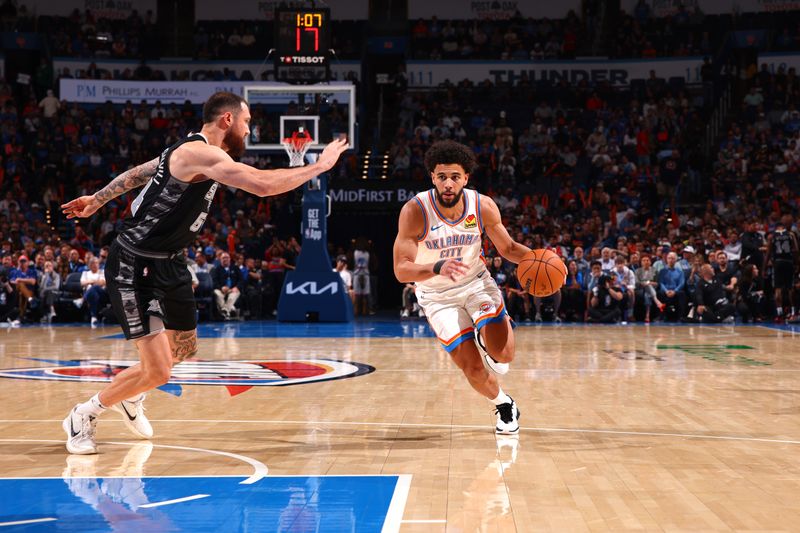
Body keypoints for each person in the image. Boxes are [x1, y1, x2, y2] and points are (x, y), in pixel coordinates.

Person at [60, 91, 348, 454]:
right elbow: (261, 185)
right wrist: (319, 167)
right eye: (246, 123)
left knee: (183, 348)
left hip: (171, 260)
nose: (248, 130)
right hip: (135, 262)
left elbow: (137, 174)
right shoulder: (200, 152)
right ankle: (83, 415)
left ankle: (131, 393)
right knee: (159, 370)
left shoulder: (184, 152)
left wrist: (96, 199)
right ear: (227, 120)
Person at [393, 140, 528, 435]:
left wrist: (540, 259)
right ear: (433, 178)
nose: (448, 184)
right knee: (474, 369)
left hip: (475, 283)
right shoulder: (415, 211)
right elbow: (401, 270)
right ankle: (505, 404)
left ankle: (485, 333)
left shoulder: (482, 206)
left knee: (504, 356)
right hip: (436, 296)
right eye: (442, 177)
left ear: (466, 178)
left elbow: (508, 248)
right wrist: (436, 267)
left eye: (455, 177)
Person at [765, 222, 798, 322]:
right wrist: (797, 264)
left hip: (778, 263)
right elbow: (796, 250)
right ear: (784, 227)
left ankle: (779, 315)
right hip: (788, 262)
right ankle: (793, 313)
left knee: (778, 289)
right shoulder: (791, 234)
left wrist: (764, 268)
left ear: (776, 228)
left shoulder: (772, 236)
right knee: (790, 288)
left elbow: (768, 253)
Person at [211, 252, 242, 319]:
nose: (225, 259)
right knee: (217, 293)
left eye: (227, 257)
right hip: (221, 289)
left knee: (233, 295)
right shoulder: (216, 269)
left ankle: (224, 311)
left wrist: (236, 287)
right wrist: (221, 287)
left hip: (233, 289)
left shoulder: (235, 268)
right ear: (220, 259)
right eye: (223, 258)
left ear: (230, 259)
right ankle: (230, 309)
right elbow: (214, 281)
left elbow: (241, 280)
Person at [80, 257, 108, 328]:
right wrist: (94, 282)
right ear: (89, 265)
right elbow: (82, 283)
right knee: (93, 294)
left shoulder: (102, 271)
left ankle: (82, 299)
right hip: (92, 295)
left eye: (96, 263)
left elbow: (103, 282)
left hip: (102, 293)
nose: (95, 265)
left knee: (95, 287)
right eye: (92, 263)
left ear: (99, 264)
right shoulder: (85, 273)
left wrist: (90, 282)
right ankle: (94, 317)